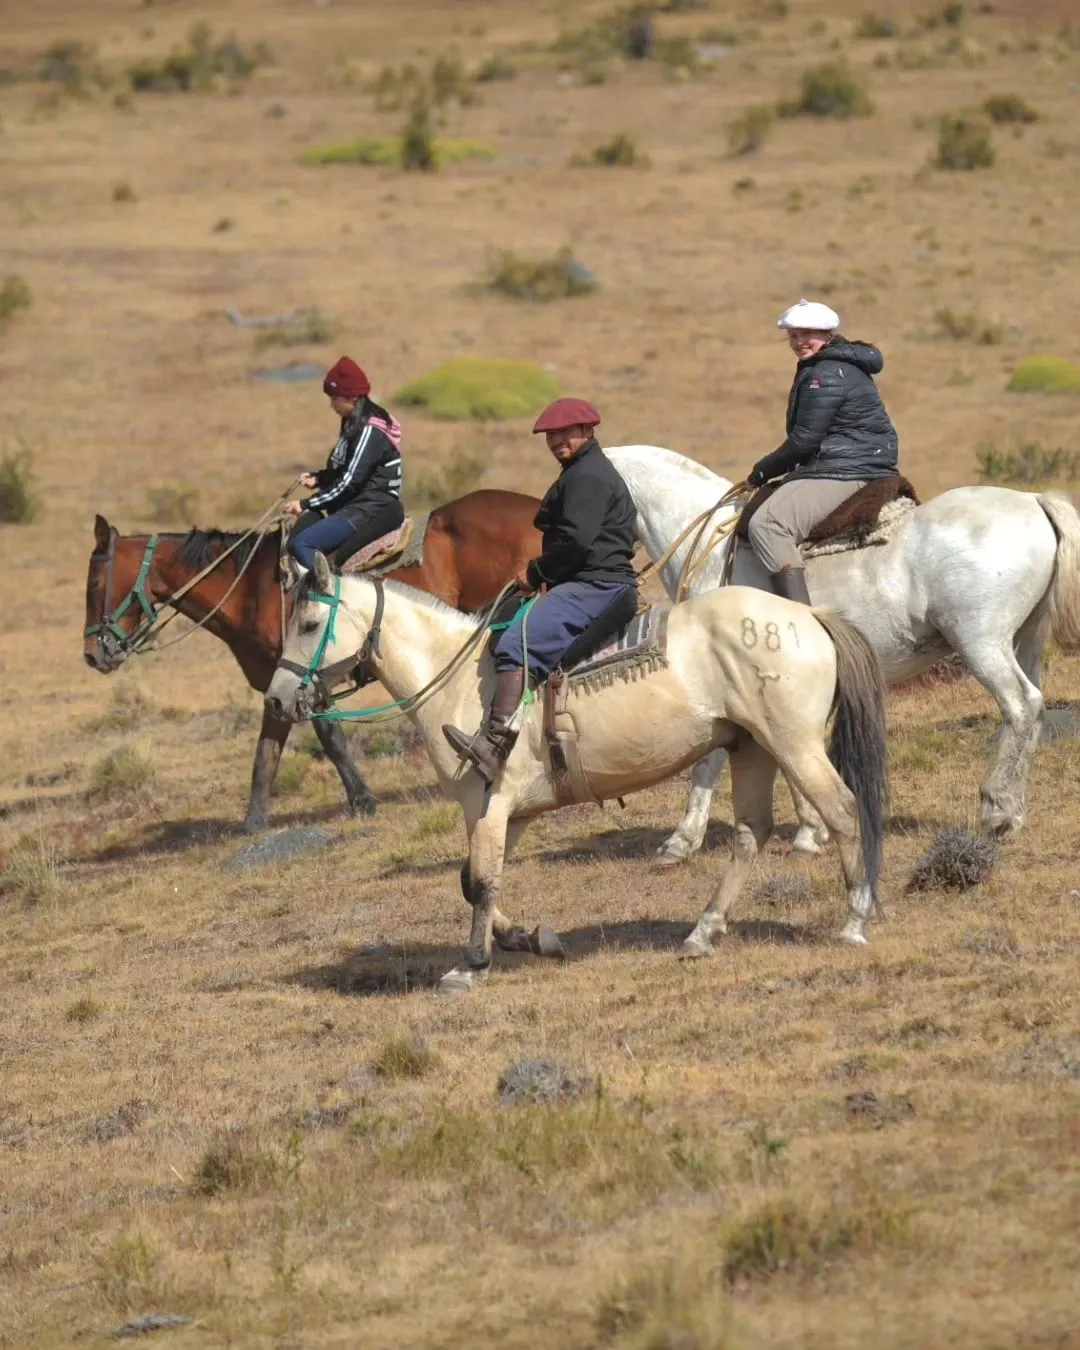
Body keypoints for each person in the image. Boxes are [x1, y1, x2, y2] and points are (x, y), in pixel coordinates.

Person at [442, 398, 638, 784]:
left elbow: (577, 544)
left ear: (588, 431)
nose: (557, 441)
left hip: (597, 586)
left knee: (517, 643)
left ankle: (495, 746)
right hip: (587, 582)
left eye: (566, 432)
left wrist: (535, 573)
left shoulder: (588, 476)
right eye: (551, 435)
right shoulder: (581, 471)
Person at [743, 299, 899, 605]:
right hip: (853, 461)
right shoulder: (836, 364)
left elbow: (804, 441)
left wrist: (760, 472)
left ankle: (802, 618)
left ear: (827, 334)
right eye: (793, 336)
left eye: (806, 334)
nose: (799, 342)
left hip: (846, 468)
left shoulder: (824, 373)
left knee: (767, 525)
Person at [284, 356, 404, 582]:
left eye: (335, 399)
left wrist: (306, 504)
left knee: (303, 543)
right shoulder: (353, 422)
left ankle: (332, 596)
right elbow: (345, 468)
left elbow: (350, 481)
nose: (332, 405)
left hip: (368, 508)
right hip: (357, 504)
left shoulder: (370, 431)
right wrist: (319, 478)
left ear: (352, 397)